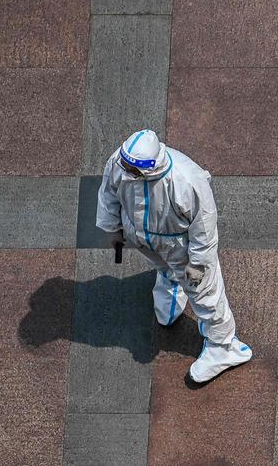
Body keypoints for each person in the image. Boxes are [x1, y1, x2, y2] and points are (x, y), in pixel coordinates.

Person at [96, 129, 252, 384]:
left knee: (204, 293)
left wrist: (198, 265)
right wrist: (112, 228)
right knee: (164, 268)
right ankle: (171, 284)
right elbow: (108, 194)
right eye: (124, 166)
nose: (125, 173)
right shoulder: (121, 161)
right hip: (147, 240)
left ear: (150, 167)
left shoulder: (186, 180)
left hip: (182, 246)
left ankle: (224, 346)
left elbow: (204, 227)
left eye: (132, 171)